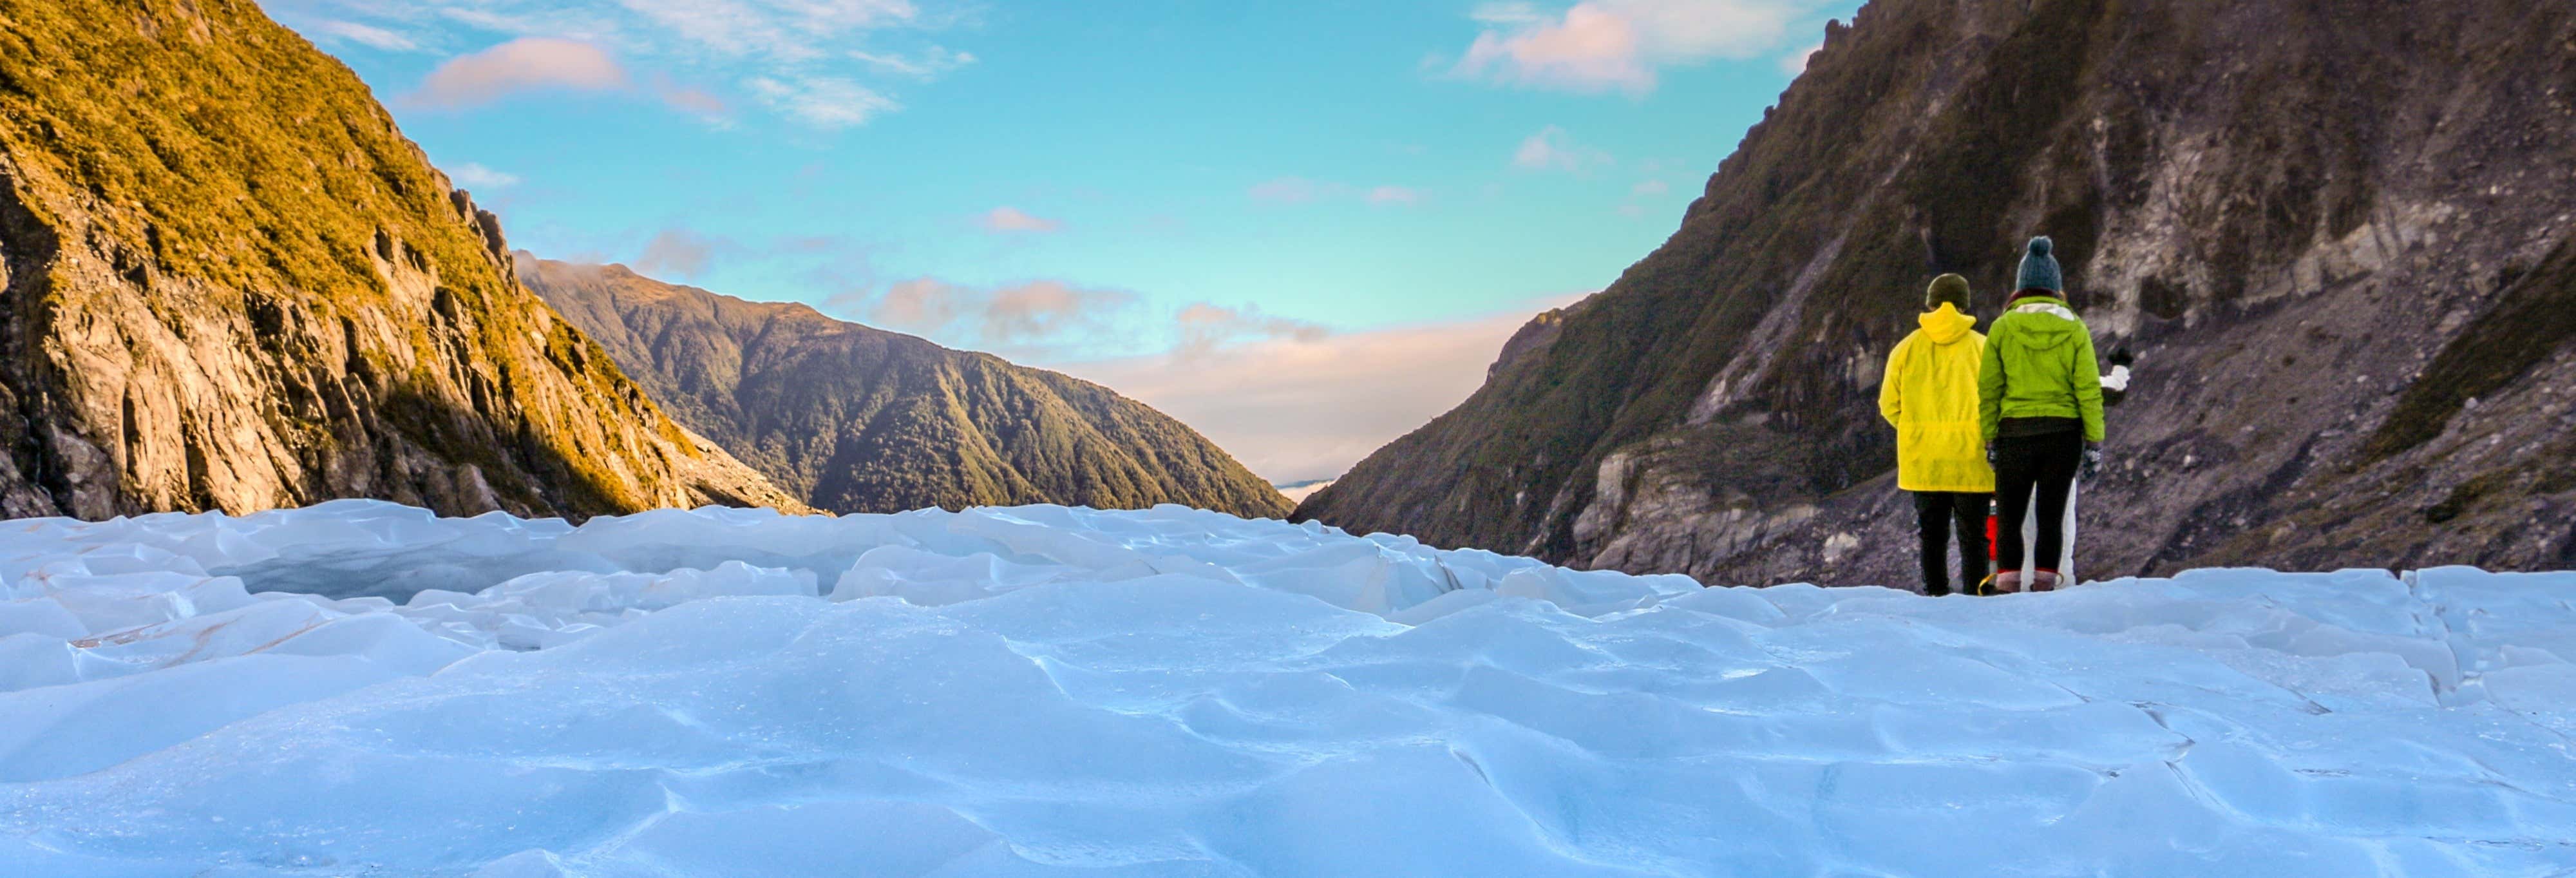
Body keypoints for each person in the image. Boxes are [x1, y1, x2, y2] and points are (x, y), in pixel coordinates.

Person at [1978, 236, 2105, 593]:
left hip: (2014, 433)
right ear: (2055, 287)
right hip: (2063, 436)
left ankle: (2006, 589)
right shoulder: (2075, 328)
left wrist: (1990, 436)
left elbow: (1989, 389)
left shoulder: (2002, 328)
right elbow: (2088, 391)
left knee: (2009, 519)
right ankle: (2045, 590)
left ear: (2021, 287)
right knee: (2051, 518)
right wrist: (2094, 441)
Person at [1879, 274, 1994, 596]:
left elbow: (1889, 405)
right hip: (1970, 460)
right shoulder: (1982, 348)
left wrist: (1916, 430)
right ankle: (1976, 598)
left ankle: (1935, 597)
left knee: (1932, 536)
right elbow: (1997, 403)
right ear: (1964, 305)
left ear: (1930, 303)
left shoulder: (1906, 348)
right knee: (1974, 539)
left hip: (1924, 461)